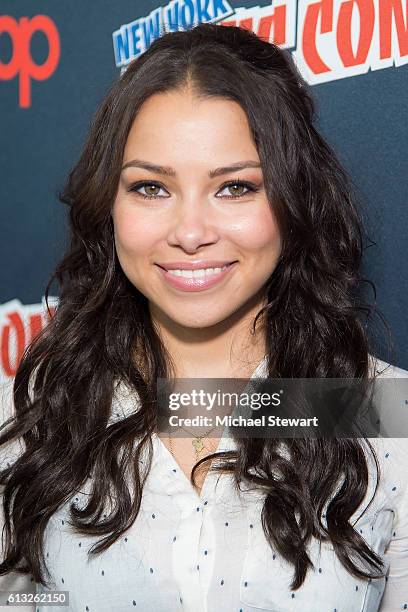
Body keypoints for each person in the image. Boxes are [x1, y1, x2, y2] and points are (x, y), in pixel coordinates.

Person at [0, 22, 407, 612]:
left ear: (295, 200)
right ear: (107, 204)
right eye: (151, 188)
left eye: (236, 187)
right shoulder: (28, 416)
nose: (190, 233)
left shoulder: (384, 413)